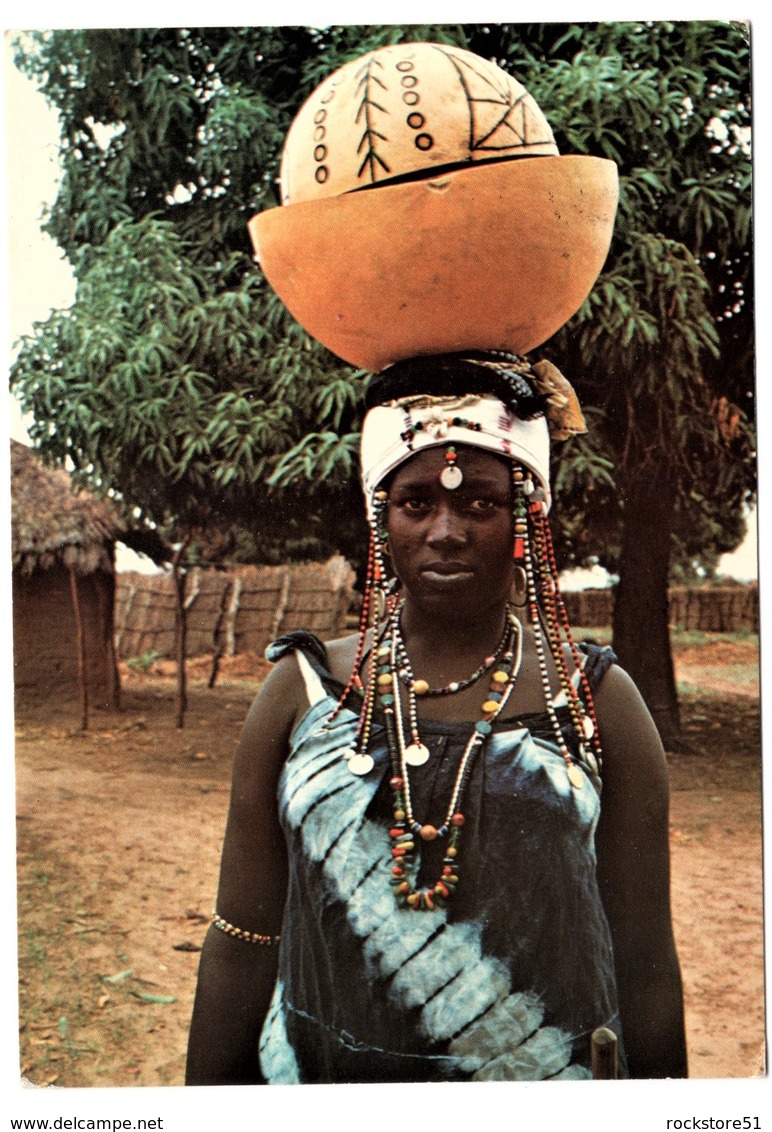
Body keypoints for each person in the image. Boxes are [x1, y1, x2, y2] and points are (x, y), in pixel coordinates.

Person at [185, 350, 687, 1083]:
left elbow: (644, 958)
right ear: (381, 519)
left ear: (527, 519)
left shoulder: (593, 700)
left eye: (480, 502)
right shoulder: (302, 691)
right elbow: (240, 937)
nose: (446, 530)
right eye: (416, 502)